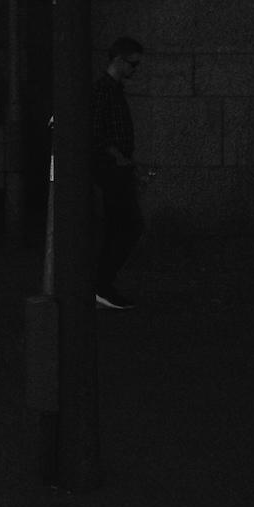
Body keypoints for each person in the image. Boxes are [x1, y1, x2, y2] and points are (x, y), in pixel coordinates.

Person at [92, 36, 149, 309]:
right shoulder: (104, 90)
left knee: (123, 226)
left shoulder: (111, 89)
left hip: (117, 166)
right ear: (118, 60)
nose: (135, 70)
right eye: (133, 64)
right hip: (112, 168)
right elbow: (97, 131)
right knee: (126, 226)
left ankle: (101, 283)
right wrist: (118, 156)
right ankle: (101, 284)